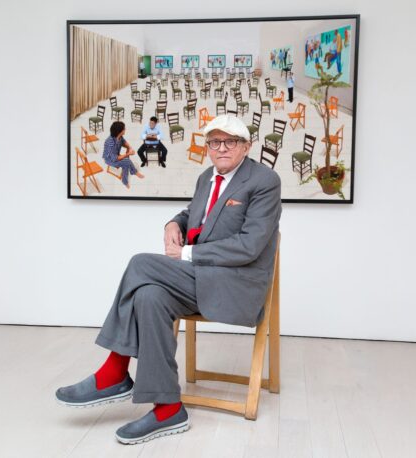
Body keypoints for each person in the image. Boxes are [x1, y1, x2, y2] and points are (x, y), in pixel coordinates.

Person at [56, 115, 282, 445]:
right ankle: (168, 407)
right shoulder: (207, 177)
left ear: (246, 147)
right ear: (207, 149)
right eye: (214, 142)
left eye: (230, 142)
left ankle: (114, 371)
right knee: (148, 296)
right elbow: (194, 215)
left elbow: (249, 246)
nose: (222, 148)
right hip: (198, 280)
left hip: (234, 285)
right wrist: (171, 225)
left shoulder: (264, 181)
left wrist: (187, 255)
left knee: (140, 264)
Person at [102, 121, 144, 189]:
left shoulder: (119, 136)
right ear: (119, 131)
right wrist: (128, 153)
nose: (125, 129)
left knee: (126, 163)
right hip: (110, 159)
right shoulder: (110, 142)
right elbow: (115, 158)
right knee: (127, 162)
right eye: (124, 129)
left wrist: (129, 147)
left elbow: (124, 142)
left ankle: (127, 178)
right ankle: (132, 174)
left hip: (116, 155)